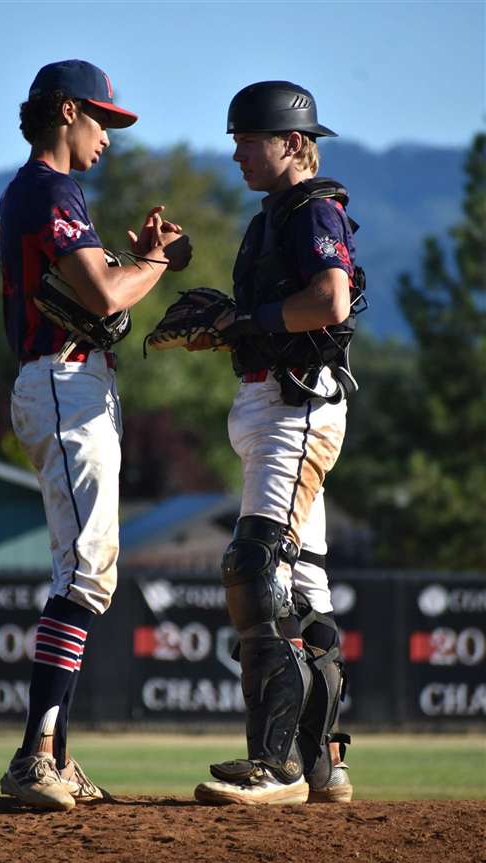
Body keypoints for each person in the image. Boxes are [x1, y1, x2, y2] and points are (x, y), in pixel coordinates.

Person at [0, 59, 191, 811]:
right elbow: (109, 294)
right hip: (62, 381)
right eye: (101, 120)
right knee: (84, 571)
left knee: (84, 571)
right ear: (67, 111)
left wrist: (130, 263)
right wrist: (151, 263)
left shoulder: (34, 191)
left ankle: (55, 754)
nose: (108, 135)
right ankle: (35, 756)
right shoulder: (48, 187)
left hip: (67, 380)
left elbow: (95, 292)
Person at [194, 81, 362, 806]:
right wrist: (234, 326)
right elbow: (280, 312)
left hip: (294, 406)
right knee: (307, 587)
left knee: (253, 566)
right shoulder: (279, 216)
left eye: (248, 139)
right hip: (279, 403)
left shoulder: (310, 209)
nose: (237, 153)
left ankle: (277, 767)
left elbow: (331, 301)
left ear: (294, 143)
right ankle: (323, 766)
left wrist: (248, 319)